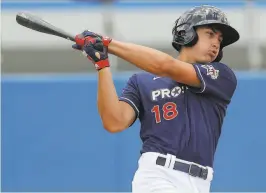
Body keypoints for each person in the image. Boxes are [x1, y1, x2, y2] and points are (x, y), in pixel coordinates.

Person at [72, 5, 240, 193]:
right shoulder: (142, 82)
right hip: (157, 177)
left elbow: (165, 66)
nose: (216, 43)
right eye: (210, 34)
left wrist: (106, 43)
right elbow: (114, 121)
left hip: (200, 184)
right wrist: (102, 64)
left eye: (220, 39)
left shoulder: (221, 76)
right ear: (186, 34)